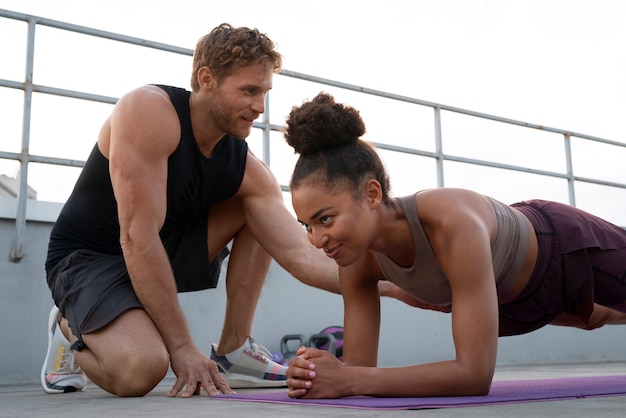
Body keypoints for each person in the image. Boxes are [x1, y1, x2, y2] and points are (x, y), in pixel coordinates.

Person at [40, 24, 415, 399]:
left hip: (159, 252)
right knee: (143, 369)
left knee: (252, 208)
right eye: (249, 91)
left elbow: (301, 256)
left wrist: (395, 285)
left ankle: (234, 353)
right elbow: (137, 235)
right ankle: (68, 326)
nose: (260, 107)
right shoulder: (148, 111)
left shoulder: (249, 170)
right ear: (207, 80)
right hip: (89, 259)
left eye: (264, 92)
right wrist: (183, 347)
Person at [283, 92, 626, 399]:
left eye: (325, 219)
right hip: (514, 302)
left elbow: (473, 376)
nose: (316, 239)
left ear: (372, 194)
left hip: (564, 247)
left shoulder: (449, 223)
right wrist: (320, 371)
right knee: (592, 319)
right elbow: (357, 366)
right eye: (307, 225)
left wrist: (350, 381)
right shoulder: (356, 261)